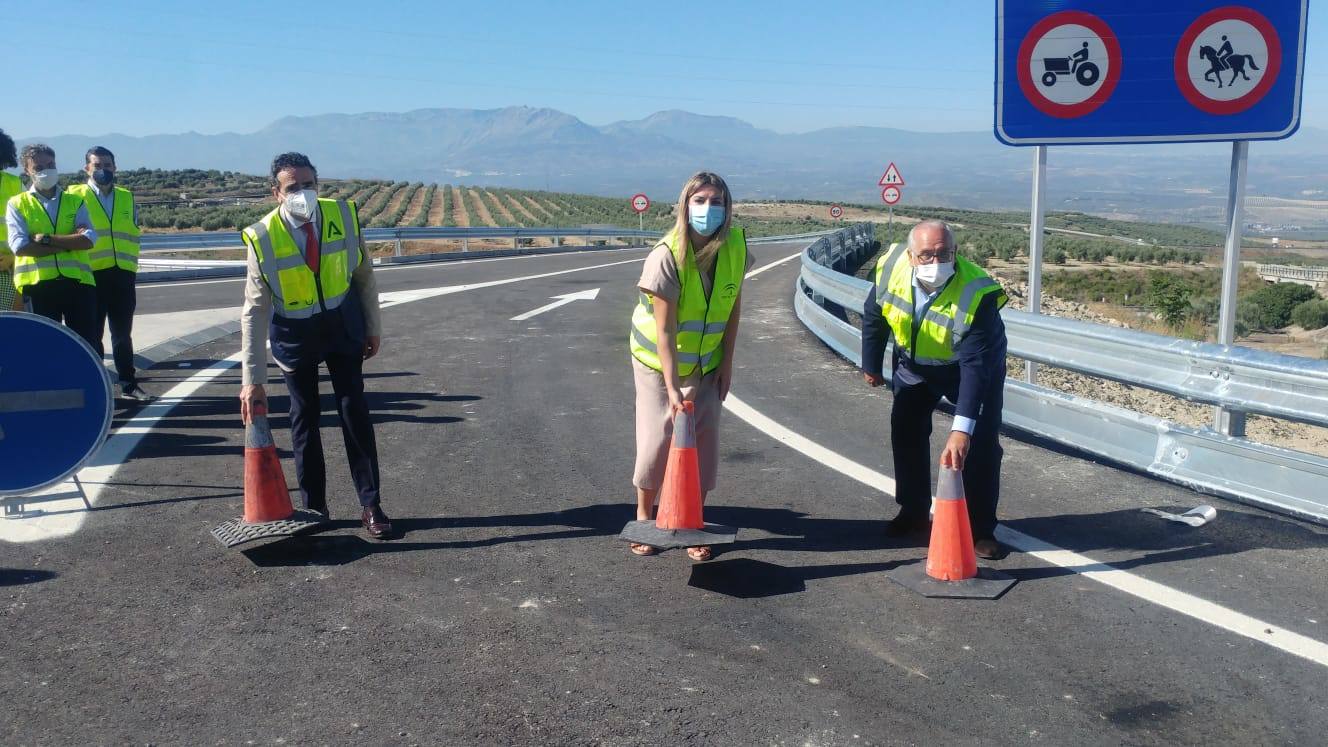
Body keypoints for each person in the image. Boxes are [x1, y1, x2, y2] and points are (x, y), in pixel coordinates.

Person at [238, 152, 392, 539]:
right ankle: (314, 508)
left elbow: (363, 273)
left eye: (308, 185)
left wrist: (372, 327)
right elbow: (254, 311)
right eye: (293, 188)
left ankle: (370, 504)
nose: (302, 193)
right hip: (294, 332)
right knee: (304, 418)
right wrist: (252, 379)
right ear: (277, 193)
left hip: (342, 324)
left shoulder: (342, 214)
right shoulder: (261, 236)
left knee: (353, 411)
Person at [861, 220, 1010, 560]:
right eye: (927, 255)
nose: (936, 262)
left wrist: (961, 431)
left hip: (970, 372)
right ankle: (913, 511)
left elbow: (975, 369)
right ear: (912, 257)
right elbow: (874, 313)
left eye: (944, 254)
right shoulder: (891, 269)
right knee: (906, 431)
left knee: (980, 445)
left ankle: (980, 528)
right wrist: (871, 364)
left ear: (956, 253)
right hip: (914, 366)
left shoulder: (977, 293)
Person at [628, 171, 752, 561]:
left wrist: (727, 364)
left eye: (716, 202)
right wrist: (670, 387)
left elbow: (733, 311)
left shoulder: (736, 247)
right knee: (659, 438)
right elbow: (663, 331)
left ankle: (693, 521)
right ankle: (645, 516)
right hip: (658, 362)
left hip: (708, 362)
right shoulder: (666, 256)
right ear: (684, 206)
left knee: (704, 441)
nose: (708, 209)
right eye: (699, 201)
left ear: (728, 209)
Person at [68, 146, 153, 401]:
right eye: (97, 165)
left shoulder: (126, 196)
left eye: (107, 165)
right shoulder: (75, 195)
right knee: (92, 336)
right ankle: (97, 387)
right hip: (90, 276)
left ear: (115, 167)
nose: (102, 170)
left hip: (122, 274)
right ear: (87, 169)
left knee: (122, 335)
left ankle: (128, 383)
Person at [4, 144, 99, 346]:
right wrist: (70, 242)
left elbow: (89, 239)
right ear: (27, 171)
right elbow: (21, 247)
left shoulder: (75, 201)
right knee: (45, 345)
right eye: (39, 167)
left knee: (87, 343)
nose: (46, 170)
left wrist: (47, 239)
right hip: (39, 286)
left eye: (51, 164)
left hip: (78, 283)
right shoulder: (17, 204)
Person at [0, 130, 23, 311]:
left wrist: (13, 258)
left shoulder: (15, 185)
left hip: (11, 272)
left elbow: (33, 227)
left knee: (13, 329)